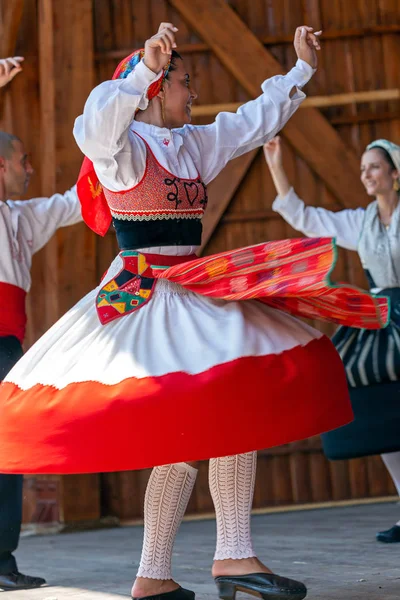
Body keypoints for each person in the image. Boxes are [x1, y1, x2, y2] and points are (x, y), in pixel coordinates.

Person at [0, 23, 389, 600]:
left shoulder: (192, 144)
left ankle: (208, 563)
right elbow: (93, 125)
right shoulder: (124, 151)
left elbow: (253, 120)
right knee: (183, 430)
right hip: (143, 298)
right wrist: (144, 68)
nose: (195, 92)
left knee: (221, 413)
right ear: (158, 88)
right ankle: (173, 570)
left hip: (191, 289)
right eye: (187, 82)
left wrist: (301, 69)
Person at [265, 134, 400, 543]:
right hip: (383, 319)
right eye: (363, 169)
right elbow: (306, 218)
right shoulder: (360, 223)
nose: (366, 174)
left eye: (374, 167)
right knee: (382, 413)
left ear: (395, 174)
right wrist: (276, 165)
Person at [0, 56, 83, 590]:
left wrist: (109, 143)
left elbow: (78, 201)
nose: (31, 168)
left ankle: (2, 559)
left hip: (9, 347)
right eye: (22, 161)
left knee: (9, 454)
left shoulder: (24, 217)